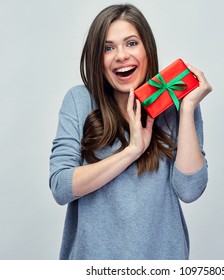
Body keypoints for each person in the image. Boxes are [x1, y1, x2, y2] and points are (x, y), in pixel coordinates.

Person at [49, 4, 212, 260]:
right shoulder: (79, 101)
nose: (121, 55)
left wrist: (188, 107)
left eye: (131, 43)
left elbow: (190, 190)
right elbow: (61, 186)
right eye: (108, 48)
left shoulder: (175, 105)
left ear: (147, 48)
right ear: (97, 59)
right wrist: (132, 150)